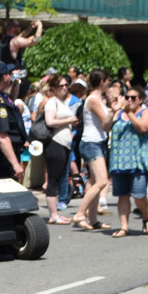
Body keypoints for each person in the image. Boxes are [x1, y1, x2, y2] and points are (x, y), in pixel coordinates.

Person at [109, 85, 148, 236]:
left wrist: (129, 113)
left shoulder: (147, 113)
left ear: (141, 100)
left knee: (139, 196)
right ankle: (124, 227)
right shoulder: (119, 113)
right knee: (122, 195)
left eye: (133, 98)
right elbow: (105, 127)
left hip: (139, 162)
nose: (129, 100)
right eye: (127, 97)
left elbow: (142, 128)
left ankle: (146, 217)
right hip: (119, 161)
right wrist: (112, 111)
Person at [72, 70, 113, 231]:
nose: (109, 83)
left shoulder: (99, 98)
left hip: (98, 142)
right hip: (92, 143)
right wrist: (114, 110)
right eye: (108, 80)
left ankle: (93, 219)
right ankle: (80, 214)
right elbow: (106, 124)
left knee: (94, 182)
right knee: (102, 181)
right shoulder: (94, 99)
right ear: (102, 81)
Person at [39, 75, 78, 224]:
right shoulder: (51, 102)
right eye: (61, 86)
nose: (64, 88)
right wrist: (69, 120)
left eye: (66, 85)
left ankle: (55, 213)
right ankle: (53, 215)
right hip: (55, 144)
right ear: (54, 88)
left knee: (59, 178)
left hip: (65, 145)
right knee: (53, 180)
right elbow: (50, 121)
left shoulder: (62, 102)